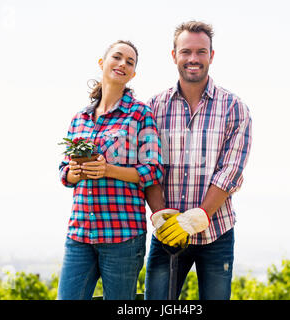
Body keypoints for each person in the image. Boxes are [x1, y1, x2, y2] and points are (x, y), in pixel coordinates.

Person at [144, 21, 252, 300]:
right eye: (186, 52)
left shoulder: (234, 108)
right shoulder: (154, 107)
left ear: (211, 56)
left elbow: (230, 172)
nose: (193, 59)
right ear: (174, 56)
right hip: (166, 236)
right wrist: (160, 218)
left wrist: (198, 217)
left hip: (217, 233)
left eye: (201, 52)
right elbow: (149, 167)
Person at [57, 40, 163, 300]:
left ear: (133, 74)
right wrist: (74, 171)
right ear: (102, 63)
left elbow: (153, 170)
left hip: (123, 236)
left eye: (130, 62)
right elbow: (64, 172)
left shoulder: (139, 114)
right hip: (80, 232)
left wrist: (108, 170)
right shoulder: (79, 118)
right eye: (117, 57)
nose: (123, 64)